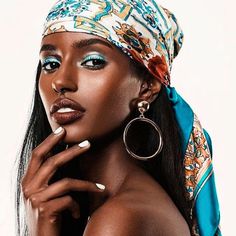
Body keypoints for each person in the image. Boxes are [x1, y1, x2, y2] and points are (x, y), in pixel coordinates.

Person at [15, 1, 221, 235]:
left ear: (147, 87)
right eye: (51, 63)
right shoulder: (130, 202)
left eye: (93, 61)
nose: (60, 81)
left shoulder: (122, 216)